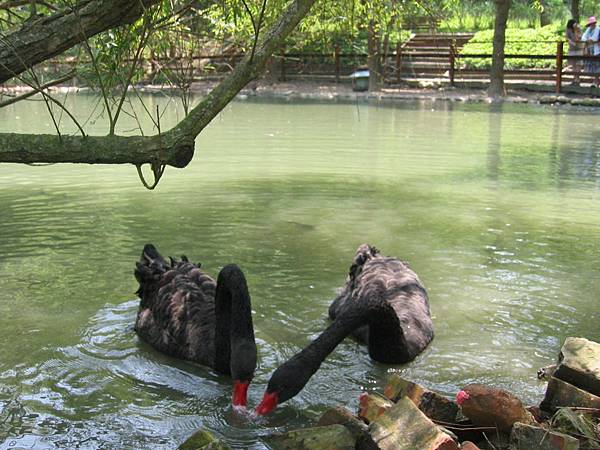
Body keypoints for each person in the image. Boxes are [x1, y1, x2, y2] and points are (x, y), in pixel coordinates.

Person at [582, 16, 600, 87]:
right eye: (591, 23)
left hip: (597, 50)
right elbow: (583, 37)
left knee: (597, 65)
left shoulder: (598, 29)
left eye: (593, 23)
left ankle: (596, 81)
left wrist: (590, 40)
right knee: (592, 66)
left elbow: (595, 38)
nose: (592, 24)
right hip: (590, 50)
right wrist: (588, 40)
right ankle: (595, 81)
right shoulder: (588, 29)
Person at [566, 19, 584, 85]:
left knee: (578, 64)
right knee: (573, 64)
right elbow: (566, 37)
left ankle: (578, 79)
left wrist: (576, 29)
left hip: (579, 49)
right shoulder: (568, 29)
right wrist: (570, 41)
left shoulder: (579, 29)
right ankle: (575, 78)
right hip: (571, 49)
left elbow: (578, 38)